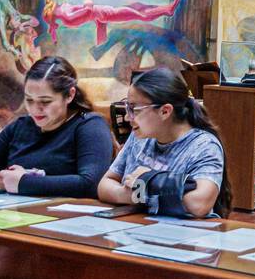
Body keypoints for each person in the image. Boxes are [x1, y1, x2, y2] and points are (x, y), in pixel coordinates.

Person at [0, 56, 113, 198]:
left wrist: (23, 183)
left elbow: (92, 184)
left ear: (69, 95)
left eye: (45, 102)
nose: (35, 109)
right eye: (29, 100)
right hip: (20, 215)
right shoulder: (20, 126)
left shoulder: (90, 126)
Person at [98, 67, 230, 218]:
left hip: (186, 235)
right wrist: (138, 195)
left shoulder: (204, 146)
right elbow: (105, 184)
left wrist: (148, 179)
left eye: (134, 109)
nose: (128, 118)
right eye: (128, 107)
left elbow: (199, 204)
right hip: (139, 228)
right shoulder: (140, 136)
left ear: (165, 111)